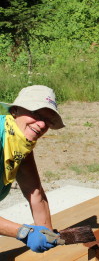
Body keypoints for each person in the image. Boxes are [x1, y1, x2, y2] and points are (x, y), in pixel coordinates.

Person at [0, 85, 65, 252]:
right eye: (36, 113)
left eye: (48, 120)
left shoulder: (19, 145)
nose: (42, 124)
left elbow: (35, 194)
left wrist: (49, 236)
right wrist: (24, 233)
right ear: (15, 111)